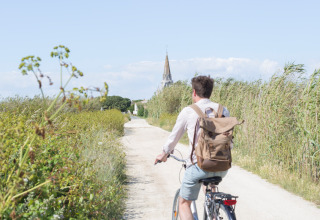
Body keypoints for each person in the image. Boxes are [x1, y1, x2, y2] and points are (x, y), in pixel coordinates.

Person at [155, 75, 230, 220]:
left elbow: (174, 138)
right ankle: (213, 213)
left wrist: (164, 153)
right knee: (209, 187)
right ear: (210, 92)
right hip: (222, 167)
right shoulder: (222, 110)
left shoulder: (189, 111)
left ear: (194, 92)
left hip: (199, 166)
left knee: (183, 203)